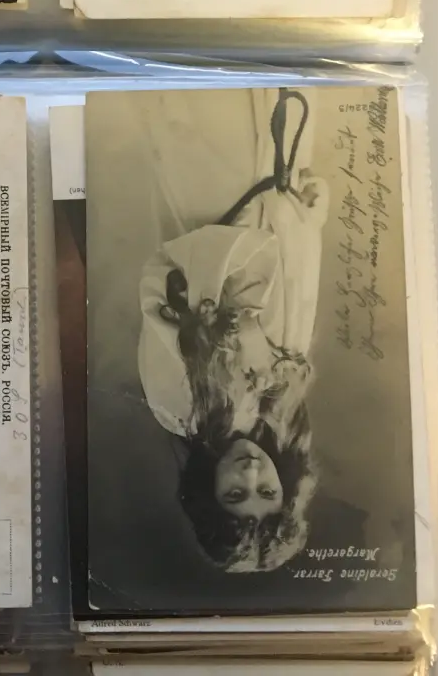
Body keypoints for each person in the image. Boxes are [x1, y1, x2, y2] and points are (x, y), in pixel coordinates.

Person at [136, 94, 330, 572]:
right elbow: (295, 287)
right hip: (277, 174)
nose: (251, 472)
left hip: (217, 188)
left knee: (214, 86)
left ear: (208, 490)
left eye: (235, 493)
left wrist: (240, 322)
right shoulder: (281, 403)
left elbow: (164, 280)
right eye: (266, 491)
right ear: (286, 487)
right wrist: (307, 222)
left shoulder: (181, 406)